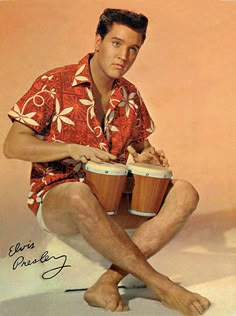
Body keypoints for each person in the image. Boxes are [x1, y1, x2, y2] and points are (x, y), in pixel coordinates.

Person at [3, 8, 210, 315]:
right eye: (116, 43)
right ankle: (163, 285)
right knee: (78, 192)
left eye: (133, 49)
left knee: (185, 192)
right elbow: (12, 145)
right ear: (98, 41)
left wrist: (149, 159)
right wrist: (70, 148)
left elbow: (143, 150)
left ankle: (107, 281)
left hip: (112, 200)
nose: (124, 56)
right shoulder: (54, 83)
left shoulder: (130, 96)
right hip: (60, 198)